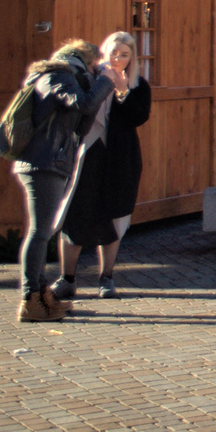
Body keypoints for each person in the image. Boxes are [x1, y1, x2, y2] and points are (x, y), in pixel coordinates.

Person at [9, 39, 121, 322]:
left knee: (43, 230)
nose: (95, 71)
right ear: (83, 59)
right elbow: (81, 102)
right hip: (41, 162)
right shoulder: (55, 75)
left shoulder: (69, 78)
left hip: (52, 161)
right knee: (40, 232)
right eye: (94, 66)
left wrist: (98, 88)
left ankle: (41, 295)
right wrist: (105, 81)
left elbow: (82, 123)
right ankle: (30, 299)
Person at [54, 32, 150, 302]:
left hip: (120, 158)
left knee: (115, 216)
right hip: (87, 154)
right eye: (113, 53)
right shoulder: (88, 79)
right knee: (75, 215)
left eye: (124, 55)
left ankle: (106, 277)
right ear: (103, 53)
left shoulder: (138, 85)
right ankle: (67, 278)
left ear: (132, 58)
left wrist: (122, 92)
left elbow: (139, 117)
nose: (117, 59)